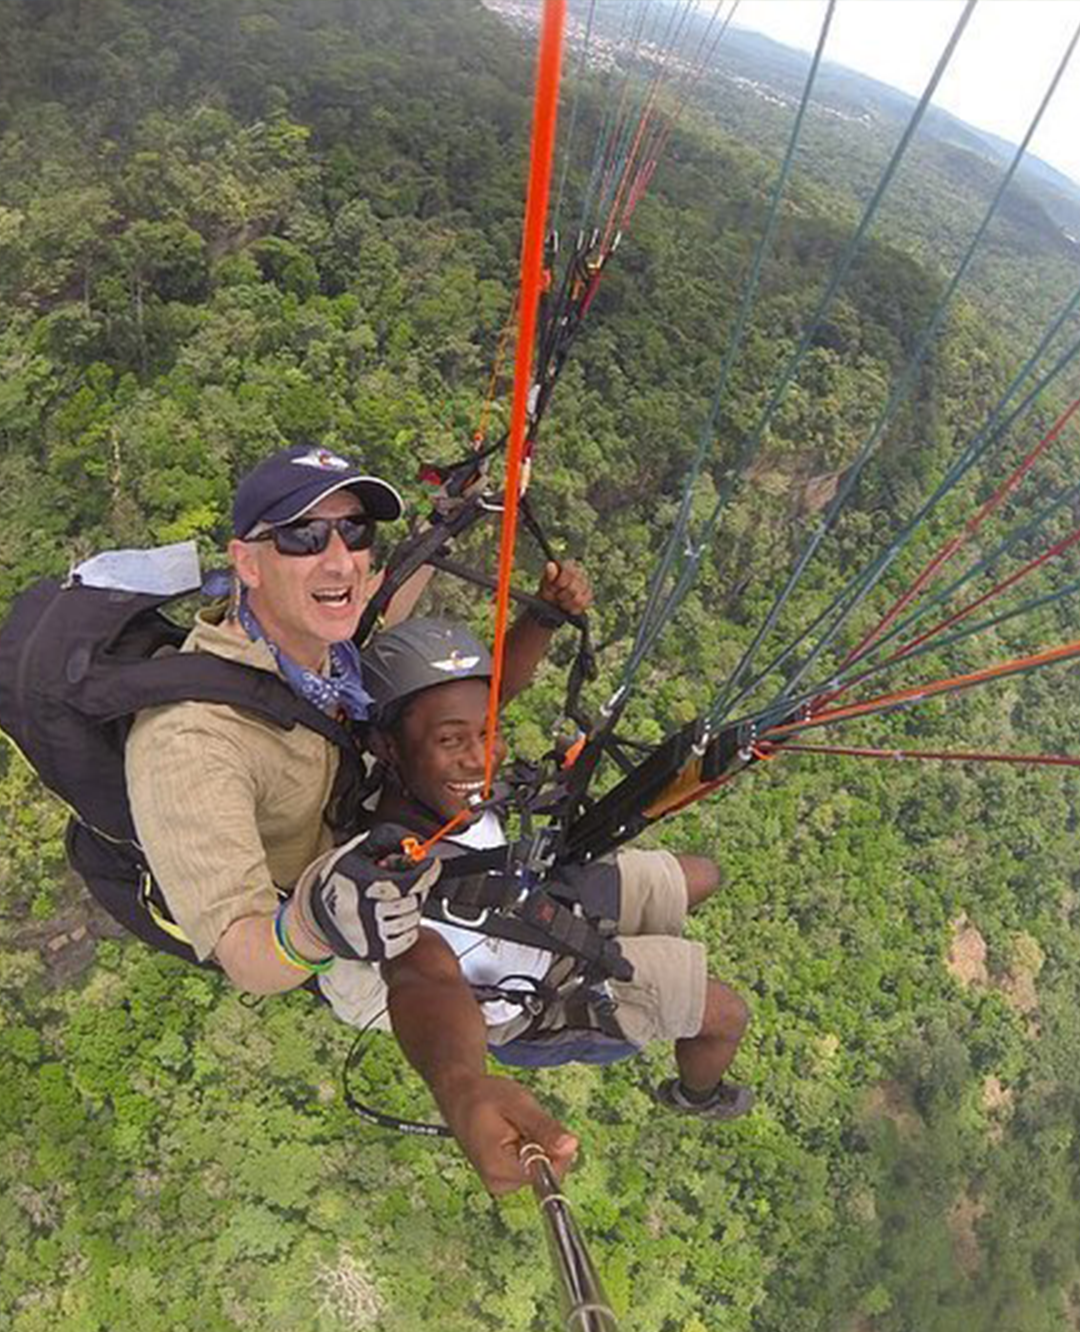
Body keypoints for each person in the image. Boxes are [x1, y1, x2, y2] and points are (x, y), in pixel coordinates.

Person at [114, 443, 591, 1191]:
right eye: (303, 537)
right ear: (245, 560)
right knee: (475, 977)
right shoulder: (190, 740)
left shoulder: (320, 644)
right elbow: (244, 952)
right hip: (341, 926)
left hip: (384, 823)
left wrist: (481, 551)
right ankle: (505, 1045)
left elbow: (392, 620)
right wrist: (315, 923)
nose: (337, 560)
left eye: (354, 534)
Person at [352, 617, 754, 1153]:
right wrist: (462, 1086)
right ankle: (695, 1095)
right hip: (540, 1004)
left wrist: (543, 615)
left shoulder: (431, 785)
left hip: (539, 898)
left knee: (703, 874)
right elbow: (424, 983)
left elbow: (498, 692)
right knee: (727, 1015)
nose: (481, 758)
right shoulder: (398, 882)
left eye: (488, 733)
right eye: (453, 740)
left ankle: (648, 950)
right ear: (388, 746)